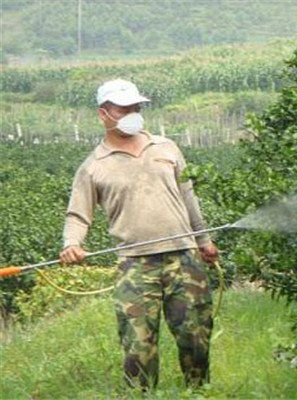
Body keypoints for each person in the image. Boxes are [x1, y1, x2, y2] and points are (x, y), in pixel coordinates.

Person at [59, 78, 219, 392]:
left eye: (136, 106)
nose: (133, 112)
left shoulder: (166, 147)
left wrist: (203, 240)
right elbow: (78, 215)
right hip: (136, 267)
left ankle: (200, 393)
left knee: (196, 339)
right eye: (124, 108)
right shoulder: (93, 167)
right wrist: (72, 244)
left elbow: (188, 196)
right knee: (138, 350)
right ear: (103, 115)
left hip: (184, 259)